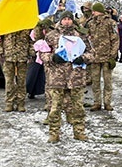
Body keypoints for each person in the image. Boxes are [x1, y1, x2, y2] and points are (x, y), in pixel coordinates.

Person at [36, 12, 88, 143]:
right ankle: (54, 133)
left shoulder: (80, 35)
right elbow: (42, 54)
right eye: (64, 19)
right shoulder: (51, 36)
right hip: (57, 77)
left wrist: (83, 58)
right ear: (60, 20)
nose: (67, 22)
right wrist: (52, 58)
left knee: (78, 108)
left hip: (76, 77)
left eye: (69, 19)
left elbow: (92, 52)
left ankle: (79, 132)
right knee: (55, 108)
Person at [86, 2, 119, 111]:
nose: (93, 12)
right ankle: (97, 102)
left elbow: (115, 39)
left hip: (106, 57)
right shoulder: (90, 23)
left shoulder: (110, 23)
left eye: (94, 10)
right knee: (95, 82)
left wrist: (112, 56)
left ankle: (107, 102)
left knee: (107, 81)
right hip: (95, 57)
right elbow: (87, 38)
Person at [1, 29, 32, 111]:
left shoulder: (27, 27)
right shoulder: (5, 26)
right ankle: (9, 103)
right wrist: (0, 53)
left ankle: (20, 103)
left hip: (22, 57)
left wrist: (32, 53)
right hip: (8, 57)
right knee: (9, 81)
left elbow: (32, 40)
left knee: (21, 81)